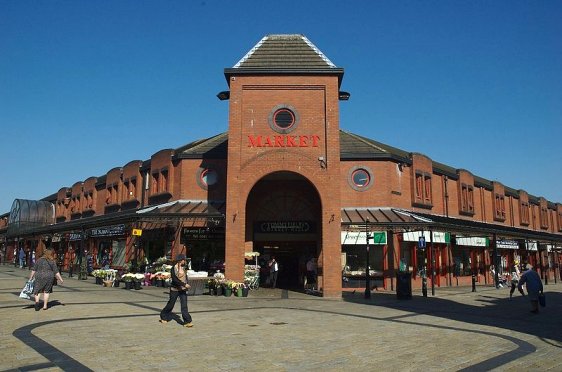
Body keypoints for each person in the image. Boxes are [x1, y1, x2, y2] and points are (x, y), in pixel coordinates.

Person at [159, 254, 193, 327]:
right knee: (171, 304)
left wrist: (186, 285)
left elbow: (185, 277)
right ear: (181, 260)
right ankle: (163, 316)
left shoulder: (184, 268)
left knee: (184, 306)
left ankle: (187, 321)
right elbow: (175, 280)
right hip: (174, 289)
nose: (185, 261)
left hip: (182, 290)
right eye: (184, 260)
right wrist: (184, 284)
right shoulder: (173, 269)